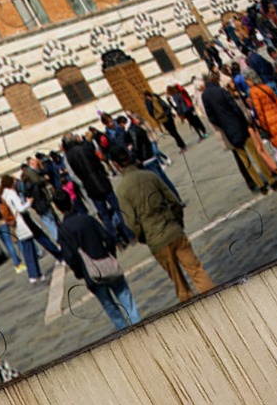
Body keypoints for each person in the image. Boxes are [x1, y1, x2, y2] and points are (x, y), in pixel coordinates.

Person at [110, 145, 214, 303]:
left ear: (116, 164)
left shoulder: (122, 190)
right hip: (174, 230)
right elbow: (174, 201)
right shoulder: (150, 176)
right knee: (197, 270)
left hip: (156, 240)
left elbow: (131, 223)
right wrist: (177, 222)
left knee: (179, 284)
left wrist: (144, 237)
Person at [52, 192, 141, 331]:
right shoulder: (88, 219)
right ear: (71, 202)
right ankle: (139, 325)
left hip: (91, 274)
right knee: (126, 299)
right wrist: (110, 256)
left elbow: (71, 259)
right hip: (105, 262)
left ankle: (125, 331)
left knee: (110, 307)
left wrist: (80, 273)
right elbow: (108, 238)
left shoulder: (63, 231)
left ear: (57, 208)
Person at [201, 71, 277, 194]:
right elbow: (235, 107)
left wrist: (224, 124)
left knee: (246, 161)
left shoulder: (205, 96)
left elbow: (211, 117)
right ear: (213, 80)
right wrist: (242, 121)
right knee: (256, 156)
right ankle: (271, 181)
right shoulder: (221, 91)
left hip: (229, 132)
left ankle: (261, 186)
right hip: (239, 126)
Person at [63, 133, 134, 245]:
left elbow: (74, 174)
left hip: (90, 187)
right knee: (118, 209)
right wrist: (103, 173)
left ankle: (115, 240)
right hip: (101, 181)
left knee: (104, 215)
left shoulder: (69, 157)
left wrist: (84, 182)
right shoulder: (84, 148)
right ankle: (129, 234)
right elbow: (97, 163)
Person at [124, 114, 183, 202]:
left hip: (147, 160)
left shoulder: (132, 131)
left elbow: (137, 146)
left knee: (159, 183)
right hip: (151, 156)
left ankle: (173, 201)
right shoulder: (137, 128)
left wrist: (133, 151)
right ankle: (177, 199)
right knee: (165, 180)